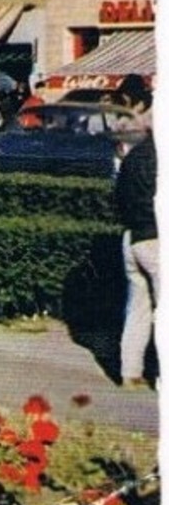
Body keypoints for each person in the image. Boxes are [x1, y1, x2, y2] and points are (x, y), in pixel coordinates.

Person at [116, 122, 157, 388]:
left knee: (137, 309)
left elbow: (117, 199)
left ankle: (130, 372)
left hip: (132, 238)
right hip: (158, 240)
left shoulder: (133, 157)